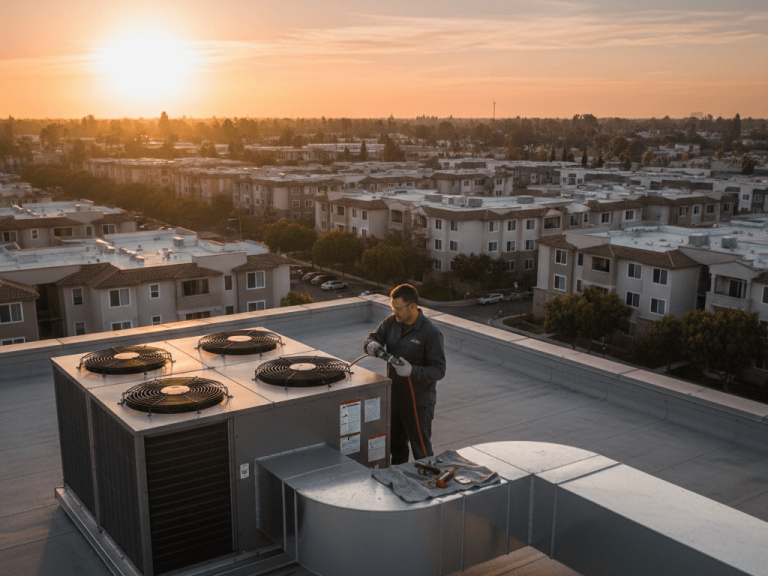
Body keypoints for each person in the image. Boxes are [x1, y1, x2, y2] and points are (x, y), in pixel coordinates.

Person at [363, 284, 446, 465]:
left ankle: (427, 483)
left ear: (412, 306)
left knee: (422, 451)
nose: (395, 313)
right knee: (396, 448)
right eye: (392, 308)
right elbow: (372, 337)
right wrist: (371, 345)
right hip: (395, 400)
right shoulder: (392, 322)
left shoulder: (430, 333)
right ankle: (399, 482)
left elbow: (439, 370)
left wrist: (412, 371)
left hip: (418, 403)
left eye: (398, 309)